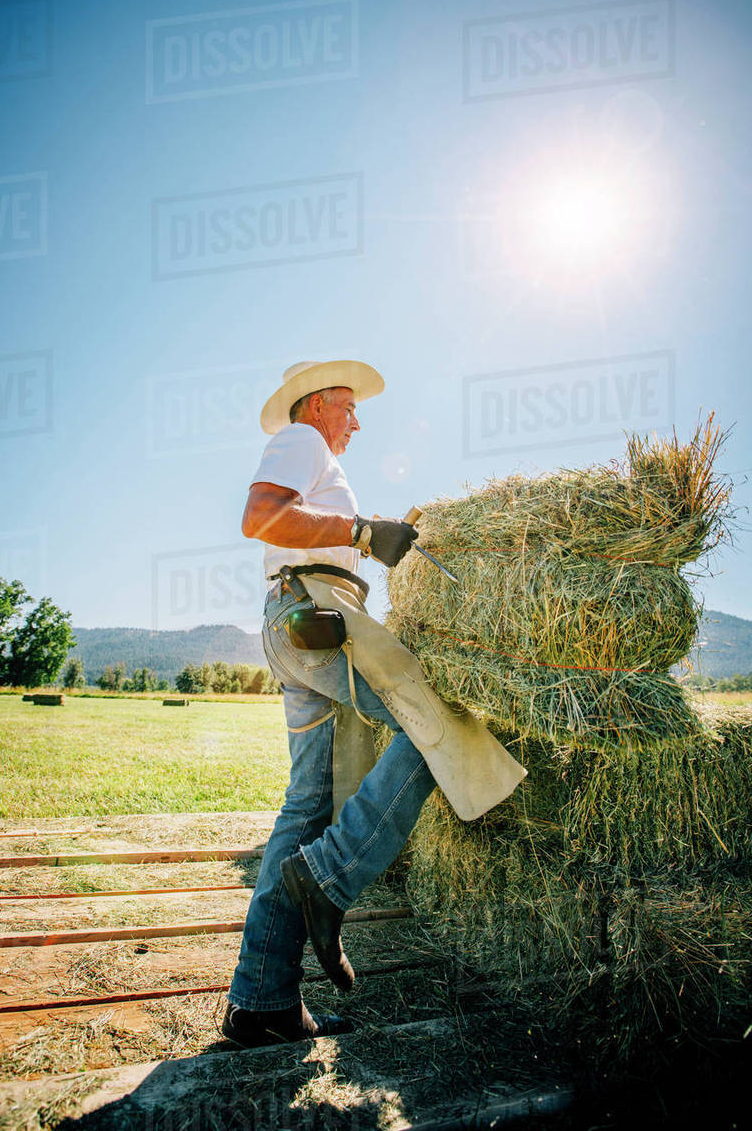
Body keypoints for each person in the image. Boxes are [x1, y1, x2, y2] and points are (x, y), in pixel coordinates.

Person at [222, 360, 525, 1049]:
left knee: (307, 805)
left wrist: (365, 537)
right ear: (318, 405)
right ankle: (330, 877)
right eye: (349, 407)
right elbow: (260, 516)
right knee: (438, 728)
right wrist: (362, 533)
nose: (357, 421)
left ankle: (261, 1000)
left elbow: (295, 525)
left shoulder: (318, 455)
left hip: (307, 616)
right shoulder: (305, 442)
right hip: (315, 610)